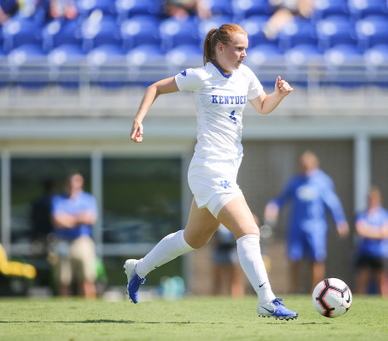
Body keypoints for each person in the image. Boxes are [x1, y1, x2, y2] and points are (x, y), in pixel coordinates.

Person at [124, 23, 297, 320]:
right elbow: (155, 88)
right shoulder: (201, 76)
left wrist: (279, 95)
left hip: (226, 171)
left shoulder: (245, 76)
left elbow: (263, 105)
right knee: (249, 231)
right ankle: (267, 301)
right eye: (238, 48)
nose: (244, 54)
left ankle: (138, 269)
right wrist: (139, 119)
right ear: (220, 48)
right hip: (207, 169)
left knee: (194, 239)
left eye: (246, 49)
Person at [264, 151, 349, 293]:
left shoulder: (323, 181)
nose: (305, 169)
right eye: (302, 166)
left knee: (316, 259)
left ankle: (316, 291)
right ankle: (294, 289)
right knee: (294, 258)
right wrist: (273, 206)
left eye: (308, 165)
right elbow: (281, 198)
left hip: (316, 228)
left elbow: (333, 204)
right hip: (296, 227)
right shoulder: (295, 182)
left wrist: (340, 221)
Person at [51, 172, 98, 299]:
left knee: (87, 277)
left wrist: (69, 218)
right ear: (65, 184)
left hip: (82, 241)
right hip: (63, 242)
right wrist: (79, 217)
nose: (73, 185)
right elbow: (57, 220)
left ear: (81, 183)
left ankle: (90, 310)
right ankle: (64, 312)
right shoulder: (58, 200)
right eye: (70, 182)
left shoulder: (88, 199)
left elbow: (90, 218)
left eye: (76, 181)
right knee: (63, 279)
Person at [354, 186, 388, 298]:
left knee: (383, 283)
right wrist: (379, 232)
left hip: (381, 254)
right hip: (365, 253)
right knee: (362, 283)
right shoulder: (362, 215)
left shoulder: (385, 215)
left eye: (374, 198)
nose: (372, 200)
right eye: (370, 198)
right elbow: (360, 230)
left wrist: (369, 230)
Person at [211, 223, 245, 298]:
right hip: (219, 250)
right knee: (217, 280)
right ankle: (214, 302)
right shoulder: (217, 219)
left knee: (235, 280)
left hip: (232, 250)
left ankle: (237, 301)